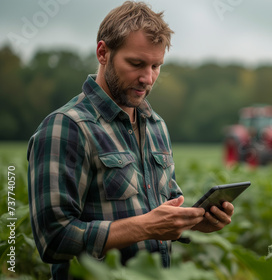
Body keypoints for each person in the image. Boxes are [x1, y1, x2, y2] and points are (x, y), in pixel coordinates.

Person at [27, 2, 234, 279]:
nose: (147, 78)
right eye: (136, 63)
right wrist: (145, 227)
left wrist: (195, 221)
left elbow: (163, 212)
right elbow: (53, 239)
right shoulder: (66, 127)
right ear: (103, 53)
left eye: (156, 66)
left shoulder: (156, 125)